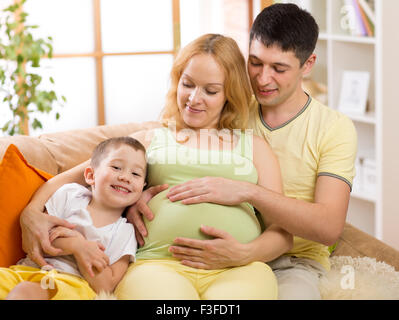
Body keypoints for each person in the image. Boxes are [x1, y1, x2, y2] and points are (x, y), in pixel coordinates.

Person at [19, 33, 292, 300]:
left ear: (229, 95)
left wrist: (245, 253)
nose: (194, 99)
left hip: (239, 269)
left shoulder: (254, 146)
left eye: (210, 91)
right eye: (188, 84)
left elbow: (282, 232)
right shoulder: (150, 139)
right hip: (157, 266)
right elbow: (73, 178)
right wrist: (30, 214)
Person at [130, 4, 357, 300]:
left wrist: (247, 195)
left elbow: (328, 228)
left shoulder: (333, 128)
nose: (262, 79)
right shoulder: (228, 102)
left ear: (308, 64)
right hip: (192, 262)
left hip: (293, 261)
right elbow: (162, 144)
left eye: (278, 68)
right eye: (255, 63)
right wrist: (131, 198)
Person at [0, 137, 146, 300]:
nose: (125, 177)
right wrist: (77, 245)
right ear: (90, 175)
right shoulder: (69, 194)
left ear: (143, 187)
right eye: (116, 167)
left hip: (71, 286)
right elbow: (37, 238)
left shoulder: (125, 232)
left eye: (135, 173)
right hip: (25, 271)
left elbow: (105, 286)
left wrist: (78, 250)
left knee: (26, 291)